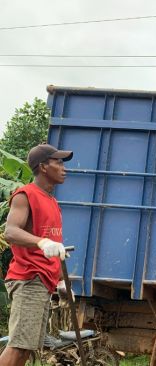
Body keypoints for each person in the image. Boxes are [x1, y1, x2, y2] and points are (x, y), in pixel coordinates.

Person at [0, 144, 73, 366]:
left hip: (43, 281)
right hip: (28, 278)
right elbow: (11, 231)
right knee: (19, 346)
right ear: (43, 167)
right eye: (58, 162)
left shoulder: (52, 202)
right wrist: (41, 242)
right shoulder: (25, 195)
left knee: (27, 348)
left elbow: (53, 246)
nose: (63, 168)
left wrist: (60, 281)